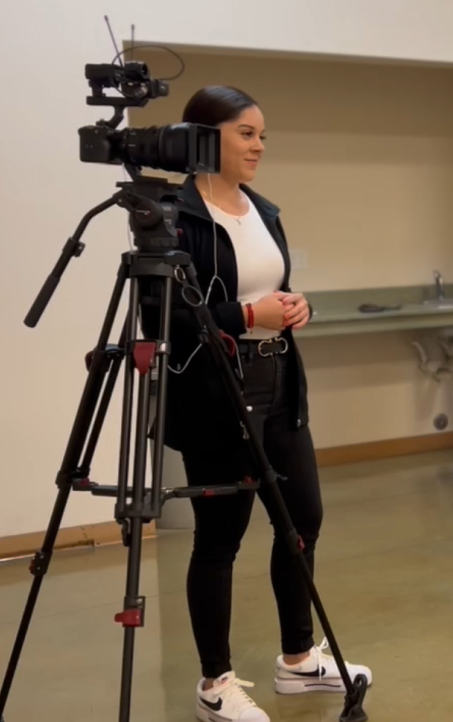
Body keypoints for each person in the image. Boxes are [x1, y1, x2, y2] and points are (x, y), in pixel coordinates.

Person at [140, 86, 371, 722]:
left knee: (303, 521)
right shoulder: (172, 215)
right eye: (247, 133)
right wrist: (244, 314)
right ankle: (215, 684)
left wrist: (297, 306)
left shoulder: (263, 210)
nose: (259, 146)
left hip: (278, 385)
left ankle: (298, 662)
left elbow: (277, 289)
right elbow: (162, 315)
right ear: (206, 137)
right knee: (221, 538)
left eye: (262, 135)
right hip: (217, 392)